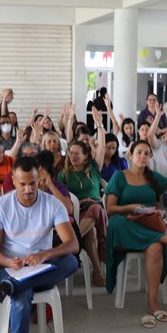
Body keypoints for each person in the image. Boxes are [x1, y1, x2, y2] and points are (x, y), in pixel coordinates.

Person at [0, 157, 79, 333]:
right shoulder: (0, 206)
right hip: (10, 268)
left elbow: (73, 244)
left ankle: (11, 287)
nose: (28, 189)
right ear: (13, 180)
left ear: (40, 180)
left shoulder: (52, 204)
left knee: (71, 261)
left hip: (41, 268)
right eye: (23, 184)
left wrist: (46, 254)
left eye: (33, 183)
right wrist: (9, 262)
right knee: (21, 297)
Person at [104, 140, 167, 328]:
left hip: (146, 227)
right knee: (118, 221)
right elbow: (110, 209)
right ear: (130, 155)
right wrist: (130, 207)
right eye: (139, 153)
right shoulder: (119, 176)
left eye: (146, 153)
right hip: (123, 227)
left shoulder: (153, 177)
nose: (143, 156)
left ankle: (152, 303)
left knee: (155, 248)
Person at [57, 110, 108, 286]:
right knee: (92, 232)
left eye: (77, 153)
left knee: (95, 208)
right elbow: (61, 200)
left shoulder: (94, 168)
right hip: (75, 215)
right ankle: (98, 271)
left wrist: (100, 126)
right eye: (70, 153)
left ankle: (74, 240)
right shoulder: (63, 175)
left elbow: (101, 147)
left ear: (86, 155)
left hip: (94, 210)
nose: (72, 156)